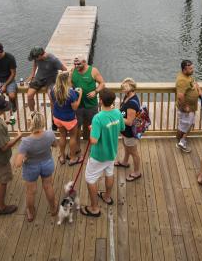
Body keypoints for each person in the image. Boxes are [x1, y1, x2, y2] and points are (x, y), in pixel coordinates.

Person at [80, 89, 124, 218]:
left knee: (90, 178)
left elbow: (93, 141)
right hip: (112, 152)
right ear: (112, 101)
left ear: (100, 101)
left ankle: (94, 209)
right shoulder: (117, 113)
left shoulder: (98, 118)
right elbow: (121, 128)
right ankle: (107, 196)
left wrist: (93, 129)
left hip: (99, 156)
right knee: (109, 173)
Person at [13, 111, 57, 222]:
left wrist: (24, 159)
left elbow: (17, 164)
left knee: (30, 191)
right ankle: (53, 208)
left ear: (30, 124)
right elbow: (55, 145)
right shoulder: (50, 134)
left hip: (31, 167)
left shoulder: (26, 142)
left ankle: (31, 213)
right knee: (48, 186)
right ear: (42, 122)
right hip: (47, 163)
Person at [50, 71, 84, 165]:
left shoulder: (53, 90)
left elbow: (52, 103)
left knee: (62, 136)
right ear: (66, 80)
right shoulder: (71, 92)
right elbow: (75, 107)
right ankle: (73, 158)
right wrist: (80, 94)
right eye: (69, 78)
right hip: (69, 119)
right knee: (72, 137)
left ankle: (62, 156)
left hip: (57, 117)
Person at [115, 78, 142, 182]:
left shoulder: (132, 103)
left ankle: (137, 172)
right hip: (125, 130)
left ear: (130, 89)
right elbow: (123, 112)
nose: (122, 89)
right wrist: (118, 113)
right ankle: (125, 162)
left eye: (124, 88)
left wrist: (117, 116)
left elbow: (130, 122)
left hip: (130, 132)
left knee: (134, 152)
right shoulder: (127, 97)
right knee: (126, 146)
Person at [71, 57, 105, 141]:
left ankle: (92, 145)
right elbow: (70, 83)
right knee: (77, 127)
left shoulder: (93, 71)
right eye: (75, 64)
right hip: (77, 105)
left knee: (93, 126)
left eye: (78, 64)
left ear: (84, 62)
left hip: (91, 105)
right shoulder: (73, 70)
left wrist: (95, 91)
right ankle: (77, 148)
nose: (76, 66)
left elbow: (102, 83)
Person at [26, 46, 66, 111]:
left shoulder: (53, 59)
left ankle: (53, 116)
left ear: (39, 56)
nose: (34, 59)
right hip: (39, 78)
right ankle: (32, 114)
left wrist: (61, 81)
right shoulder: (36, 58)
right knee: (29, 95)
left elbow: (64, 70)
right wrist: (32, 75)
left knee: (51, 97)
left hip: (51, 80)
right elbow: (35, 64)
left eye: (35, 58)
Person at [175, 59, 202, 153]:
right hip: (186, 109)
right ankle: (180, 142)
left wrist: (199, 91)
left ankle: (181, 140)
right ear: (184, 70)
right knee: (184, 126)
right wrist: (185, 107)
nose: (192, 70)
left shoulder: (188, 76)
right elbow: (180, 96)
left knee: (188, 124)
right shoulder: (182, 80)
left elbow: (194, 82)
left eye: (192, 68)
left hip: (191, 107)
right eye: (190, 69)